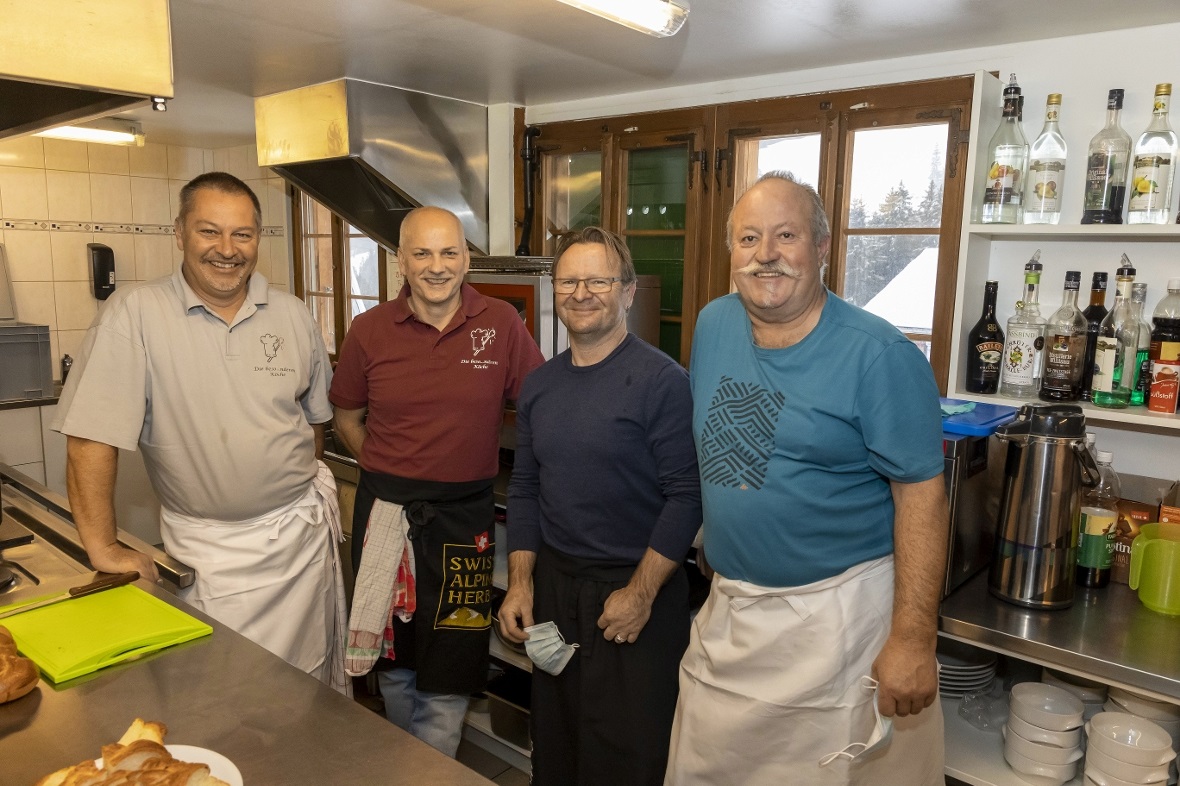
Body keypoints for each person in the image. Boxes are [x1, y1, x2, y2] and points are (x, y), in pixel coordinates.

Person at [664, 171, 949, 786]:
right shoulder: (715, 324)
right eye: (748, 238)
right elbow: (743, 440)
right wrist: (730, 539)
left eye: (785, 235)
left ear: (822, 248)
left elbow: (922, 496)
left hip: (838, 626)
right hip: (734, 614)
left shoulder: (879, 355)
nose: (765, 254)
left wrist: (913, 639)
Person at [52, 172, 348, 693]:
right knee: (223, 690)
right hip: (209, 552)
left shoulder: (293, 314)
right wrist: (103, 548)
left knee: (307, 682)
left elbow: (312, 424)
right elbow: (90, 439)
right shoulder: (135, 313)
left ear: (258, 238)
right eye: (209, 231)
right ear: (180, 232)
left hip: (299, 542)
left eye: (242, 234)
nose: (227, 250)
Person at [329, 206, 544, 757]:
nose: (437, 266)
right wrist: (388, 467)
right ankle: (411, 762)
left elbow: (543, 407)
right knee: (395, 660)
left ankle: (427, 769)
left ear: (466, 259)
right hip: (386, 515)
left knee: (452, 663)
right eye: (422, 253)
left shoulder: (501, 324)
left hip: (463, 521)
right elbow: (346, 418)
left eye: (449, 252)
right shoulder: (369, 330)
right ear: (400, 261)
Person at [499, 228, 701, 786]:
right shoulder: (540, 385)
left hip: (637, 596)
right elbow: (526, 488)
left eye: (598, 281)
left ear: (628, 292)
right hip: (558, 591)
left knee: (629, 759)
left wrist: (640, 595)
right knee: (558, 749)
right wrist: (521, 584)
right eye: (569, 281)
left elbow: (687, 496)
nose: (581, 293)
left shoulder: (664, 383)